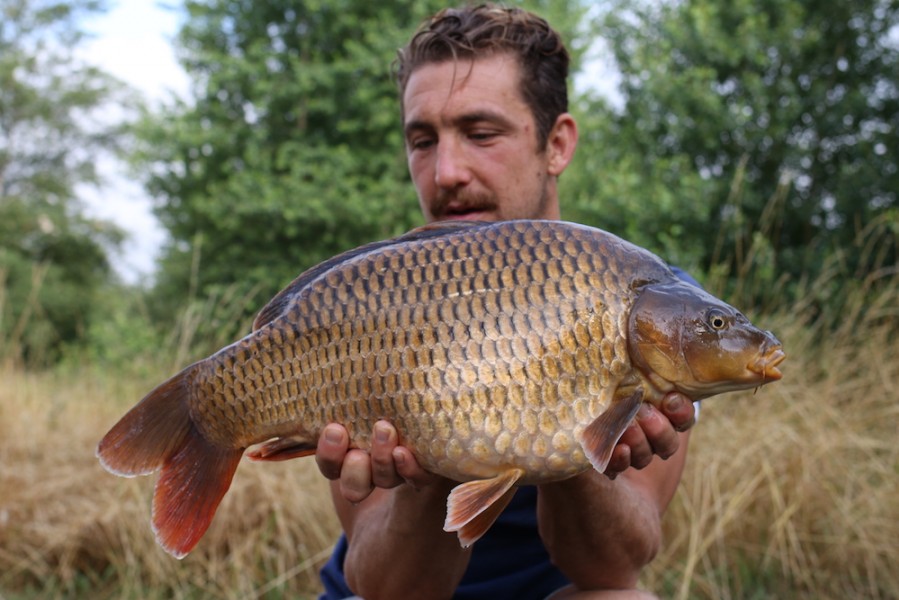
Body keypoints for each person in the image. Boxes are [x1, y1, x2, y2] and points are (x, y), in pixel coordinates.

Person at [316, 5, 697, 599]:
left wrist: (567, 425)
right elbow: (383, 587)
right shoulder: (369, 301)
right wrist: (433, 466)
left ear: (557, 144)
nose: (445, 172)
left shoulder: (654, 309)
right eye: (422, 140)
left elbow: (614, 567)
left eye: (481, 133)